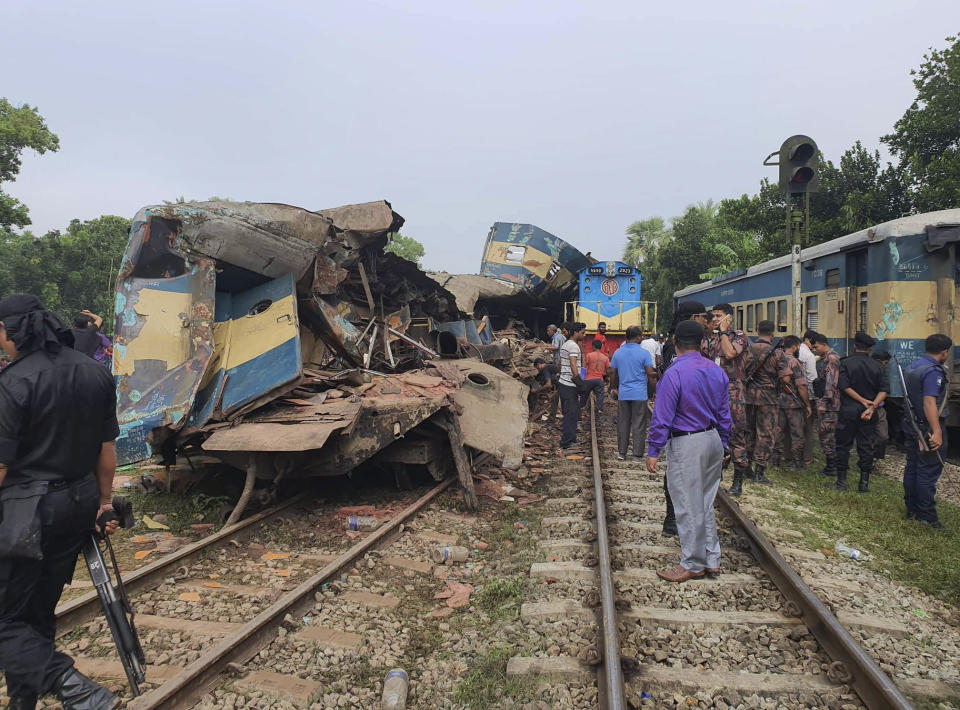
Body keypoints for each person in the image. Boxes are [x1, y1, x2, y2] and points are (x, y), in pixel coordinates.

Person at [0, 295, 121, 710]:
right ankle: (23, 702)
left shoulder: (13, 382)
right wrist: (104, 503)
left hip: (26, 514)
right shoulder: (94, 372)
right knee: (35, 612)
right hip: (79, 502)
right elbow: (106, 449)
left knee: (5, 619)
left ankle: (70, 685)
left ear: (10, 332)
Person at [646, 320, 731, 583]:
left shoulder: (674, 373)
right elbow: (724, 413)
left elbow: (662, 416)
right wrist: (725, 441)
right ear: (702, 342)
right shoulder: (716, 371)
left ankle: (692, 563)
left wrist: (654, 449)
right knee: (705, 503)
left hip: (687, 443)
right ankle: (711, 558)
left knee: (686, 503)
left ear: (674, 341)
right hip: (713, 439)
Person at [902, 334, 952, 529]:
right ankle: (927, 516)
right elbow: (929, 402)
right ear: (944, 352)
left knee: (913, 466)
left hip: (912, 425)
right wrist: (937, 431)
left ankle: (912, 509)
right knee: (927, 471)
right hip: (927, 427)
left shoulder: (913, 366)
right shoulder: (933, 372)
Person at [704, 303, 751, 495]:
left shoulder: (738, 337)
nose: (715, 319)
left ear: (729, 318)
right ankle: (717, 473)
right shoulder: (710, 340)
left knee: (737, 434)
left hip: (733, 391)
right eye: (713, 315)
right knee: (712, 432)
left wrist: (723, 333)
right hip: (713, 391)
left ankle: (738, 479)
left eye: (719, 315)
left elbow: (731, 353)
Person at [834, 332, 889, 492]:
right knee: (866, 446)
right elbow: (885, 390)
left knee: (843, 445)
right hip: (869, 412)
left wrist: (861, 400)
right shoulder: (878, 366)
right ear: (870, 349)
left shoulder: (845, 363)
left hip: (849, 410)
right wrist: (871, 406)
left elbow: (844, 386)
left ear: (854, 346)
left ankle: (841, 482)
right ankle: (863, 484)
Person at [744, 320, 792, 486]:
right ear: (772, 335)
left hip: (748, 396)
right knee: (765, 434)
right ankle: (759, 472)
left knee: (748, 431)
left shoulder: (748, 349)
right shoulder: (778, 353)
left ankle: (746, 467)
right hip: (768, 399)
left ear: (757, 331)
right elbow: (785, 378)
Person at [609, 326, 657, 460]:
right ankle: (637, 454)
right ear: (637, 337)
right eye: (641, 336)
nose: (642, 338)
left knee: (623, 423)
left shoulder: (618, 352)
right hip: (639, 394)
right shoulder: (644, 353)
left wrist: (614, 387)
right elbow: (650, 374)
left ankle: (622, 453)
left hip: (623, 394)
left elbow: (612, 372)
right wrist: (653, 391)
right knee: (639, 424)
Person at [773, 336, 812, 472]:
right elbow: (801, 386)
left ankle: (776, 460)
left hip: (777, 401)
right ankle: (797, 463)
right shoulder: (794, 362)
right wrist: (807, 404)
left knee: (778, 431)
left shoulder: (776, 359)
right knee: (797, 433)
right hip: (793, 403)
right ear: (795, 346)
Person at [810, 334, 841, 477]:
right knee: (825, 434)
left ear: (823, 344)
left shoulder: (831, 359)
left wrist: (824, 402)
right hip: (828, 402)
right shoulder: (827, 358)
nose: (814, 350)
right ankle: (831, 464)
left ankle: (832, 466)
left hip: (830, 404)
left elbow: (831, 383)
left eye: (816, 347)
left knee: (827, 434)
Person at [557, 322, 586, 449]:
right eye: (582, 332)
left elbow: (560, 363)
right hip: (569, 384)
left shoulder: (566, 344)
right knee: (571, 413)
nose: (584, 335)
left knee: (569, 412)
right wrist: (578, 381)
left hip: (563, 383)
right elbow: (573, 364)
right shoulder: (573, 347)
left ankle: (570, 439)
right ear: (576, 332)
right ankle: (567, 442)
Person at [799, 331, 820, 465]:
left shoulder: (797, 351)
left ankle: (788, 455)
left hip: (793, 395)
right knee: (808, 427)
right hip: (807, 394)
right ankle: (807, 457)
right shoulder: (809, 356)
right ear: (807, 340)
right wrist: (813, 400)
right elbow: (812, 379)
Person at [871, 350, 892, 459]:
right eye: (886, 363)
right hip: (869, 406)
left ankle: (875, 457)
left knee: (882, 436)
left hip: (878, 408)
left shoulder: (882, 373)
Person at [580, 339, 610, 413]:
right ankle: (599, 409)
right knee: (600, 395)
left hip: (588, 379)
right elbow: (608, 370)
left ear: (593, 347)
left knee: (584, 395)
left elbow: (584, 366)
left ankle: (581, 407)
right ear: (601, 347)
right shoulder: (605, 358)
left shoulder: (589, 355)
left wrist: (582, 378)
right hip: (599, 380)